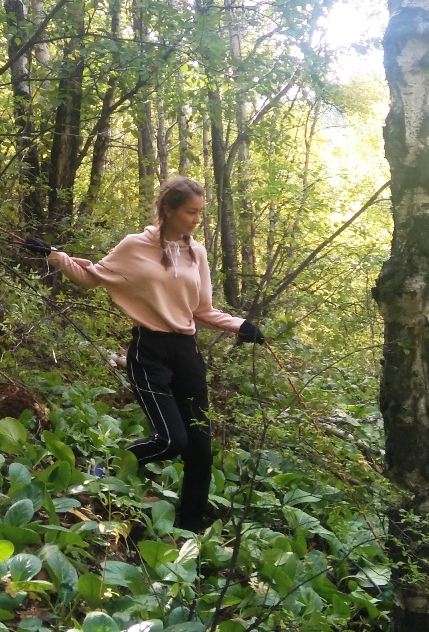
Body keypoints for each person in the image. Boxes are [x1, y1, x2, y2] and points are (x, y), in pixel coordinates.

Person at [24, 175, 264, 532]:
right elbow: (92, 277)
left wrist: (240, 325)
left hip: (187, 353)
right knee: (170, 440)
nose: (197, 220)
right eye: (191, 212)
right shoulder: (134, 246)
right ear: (168, 210)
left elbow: (202, 310)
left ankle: (190, 529)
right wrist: (54, 256)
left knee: (200, 448)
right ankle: (101, 470)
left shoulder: (196, 252)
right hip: (149, 352)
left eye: (200, 212)